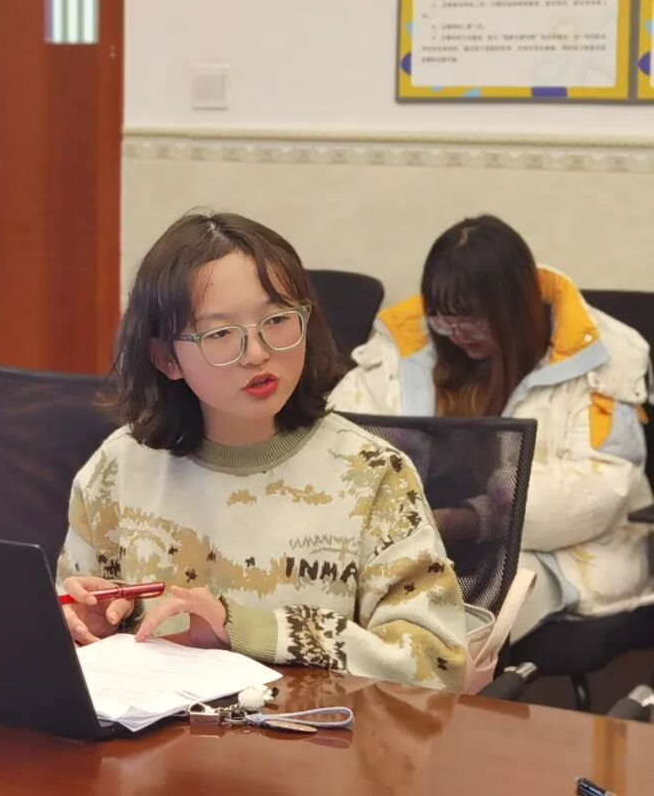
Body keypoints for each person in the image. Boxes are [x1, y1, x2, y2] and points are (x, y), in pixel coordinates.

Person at [57, 211, 468, 691]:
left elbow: (437, 664)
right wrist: (89, 627)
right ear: (167, 359)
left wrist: (253, 632)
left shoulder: (373, 476)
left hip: (314, 732)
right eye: (220, 334)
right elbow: (71, 622)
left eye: (277, 320)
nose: (257, 353)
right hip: (157, 734)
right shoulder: (118, 471)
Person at [329, 214, 654, 640]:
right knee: (337, 594)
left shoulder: (603, 358)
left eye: (474, 320)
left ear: (516, 307)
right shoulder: (406, 345)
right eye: (444, 320)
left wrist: (476, 519)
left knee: (456, 622)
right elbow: (341, 438)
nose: (458, 334)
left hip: (557, 549)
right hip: (412, 538)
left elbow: (603, 486)